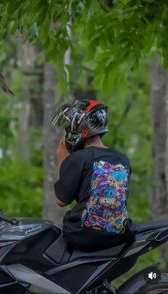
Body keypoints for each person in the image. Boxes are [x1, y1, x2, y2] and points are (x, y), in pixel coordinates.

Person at [51, 99, 134, 251]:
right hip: (119, 237)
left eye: (69, 125)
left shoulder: (78, 158)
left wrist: (62, 158)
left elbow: (61, 200)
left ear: (80, 126)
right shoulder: (123, 159)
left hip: (81, 236)